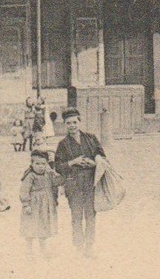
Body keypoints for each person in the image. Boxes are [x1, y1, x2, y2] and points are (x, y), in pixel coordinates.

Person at [53, 107, 106, 258]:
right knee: (76, 217)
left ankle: (89, 246)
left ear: (79, 122)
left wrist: (94, 161)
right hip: (73, 184)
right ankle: (78, 247)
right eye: (68, 123)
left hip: (91, 183)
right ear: (65, 124)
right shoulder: (63, 144)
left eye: (74, 122)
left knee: (90, 215)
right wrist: (73, 162)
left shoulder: (90, 138)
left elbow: (102, 156)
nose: (72, 126)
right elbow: (58, 166)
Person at [18, 148, 62, 258]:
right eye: (37, 163)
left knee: (43, 226)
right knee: (31, 226)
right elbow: (24, 191)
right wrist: (26, 205)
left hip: (46, 205)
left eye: (43, 163)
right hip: (33, 205)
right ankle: (29, 250)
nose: (40, 166)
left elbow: (57, 183)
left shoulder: (49, 174)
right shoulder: (30, 176)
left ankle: (43, 250)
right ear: (31, 164)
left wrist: (54, 173)